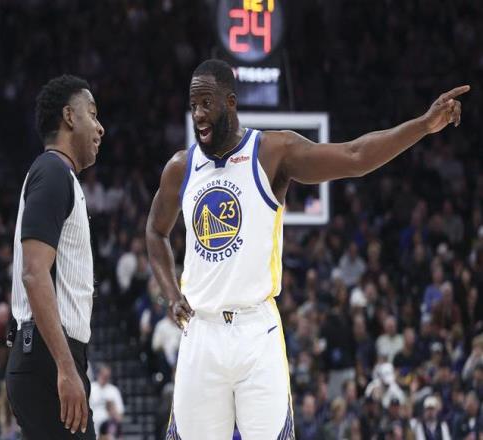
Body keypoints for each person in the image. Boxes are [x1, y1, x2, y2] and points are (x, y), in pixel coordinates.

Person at [145, 58, 469, 439]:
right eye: (193, 105)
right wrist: (171, 295)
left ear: (230, 102)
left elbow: (355, 157)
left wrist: (422, 126)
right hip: (201, 330)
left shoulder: (272, 152)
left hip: (255, 330)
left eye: (206, 103)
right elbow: (155, 231)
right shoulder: (180, 169)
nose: (198, 114)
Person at [5, 74, 104, 439]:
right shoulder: (52, 171)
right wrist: (65, 367)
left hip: (44, 355)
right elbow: (33, 273)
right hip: (49, 355)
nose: (100, 127)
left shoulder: (58, 175)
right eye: (92, 113)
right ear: (69, 116)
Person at [90, 364, 125, 435]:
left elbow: (120, 417)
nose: (105, 377)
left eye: (107, 376)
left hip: (107, 427)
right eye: (103, 374)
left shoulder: (113, 390)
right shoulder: (91, 388)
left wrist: (111, 409)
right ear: (98, 374)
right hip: (92, 424)